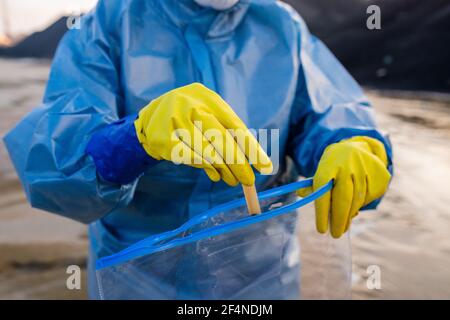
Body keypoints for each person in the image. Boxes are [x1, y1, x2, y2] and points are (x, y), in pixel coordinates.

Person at [3, 0, 392, 299]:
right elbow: (54, 161)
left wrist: (355, 145)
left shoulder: (283, 28)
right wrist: (132, 139)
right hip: (138, 282)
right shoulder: (109, 23)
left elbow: (331, 113)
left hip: (262, 283)